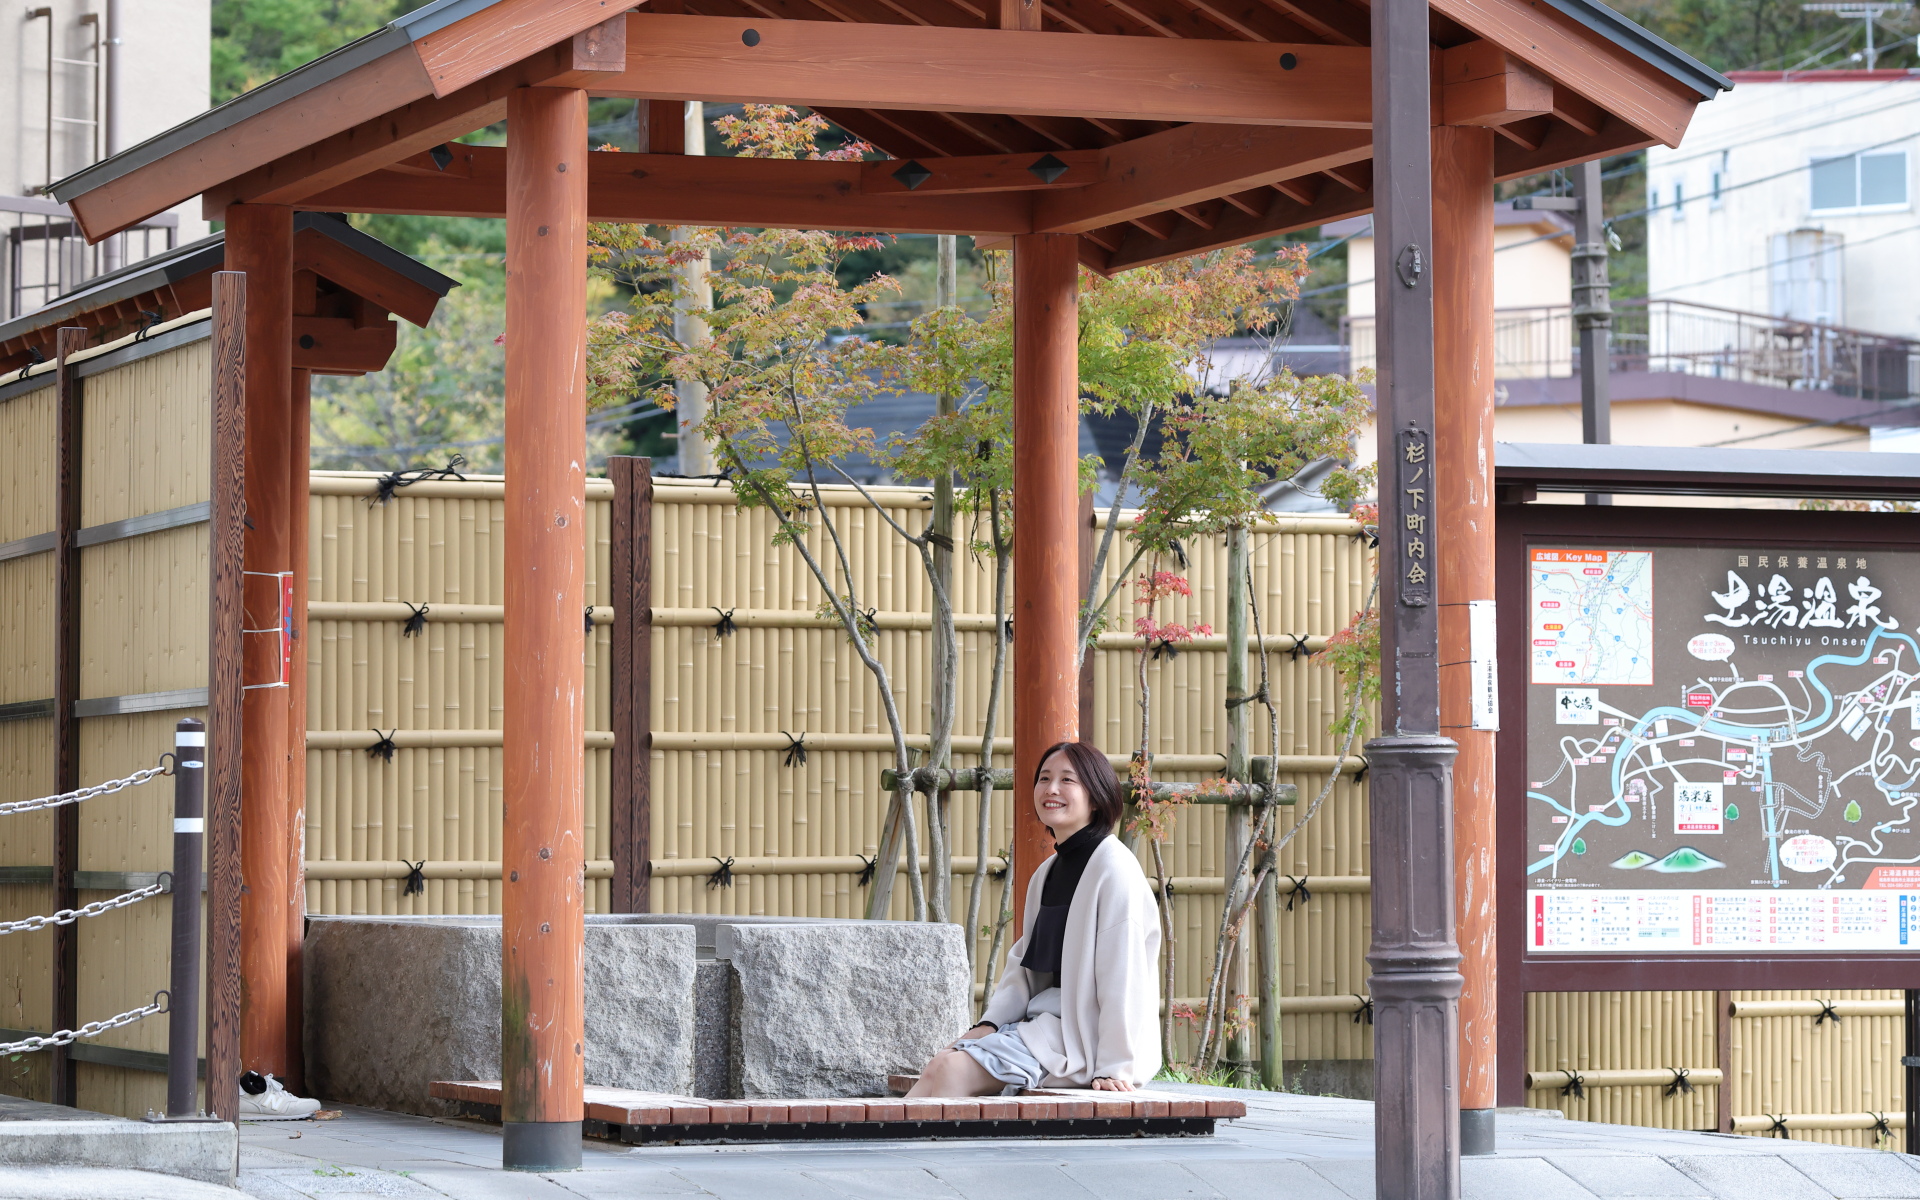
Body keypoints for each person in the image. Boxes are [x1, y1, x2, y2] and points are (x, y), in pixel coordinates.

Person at [907, 740, 1161, 1096]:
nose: (1051, 789)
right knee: (941, 1064)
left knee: (950, 1071)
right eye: (1044, 778)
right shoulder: (1047, 872)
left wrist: (1114, 1066)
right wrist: (989, 1023)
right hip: (1040, 1030)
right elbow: (1022, 968)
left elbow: (1125, 976)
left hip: (1079, 1040)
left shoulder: (1114, 869)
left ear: (1096, 795)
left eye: (1067, 780)